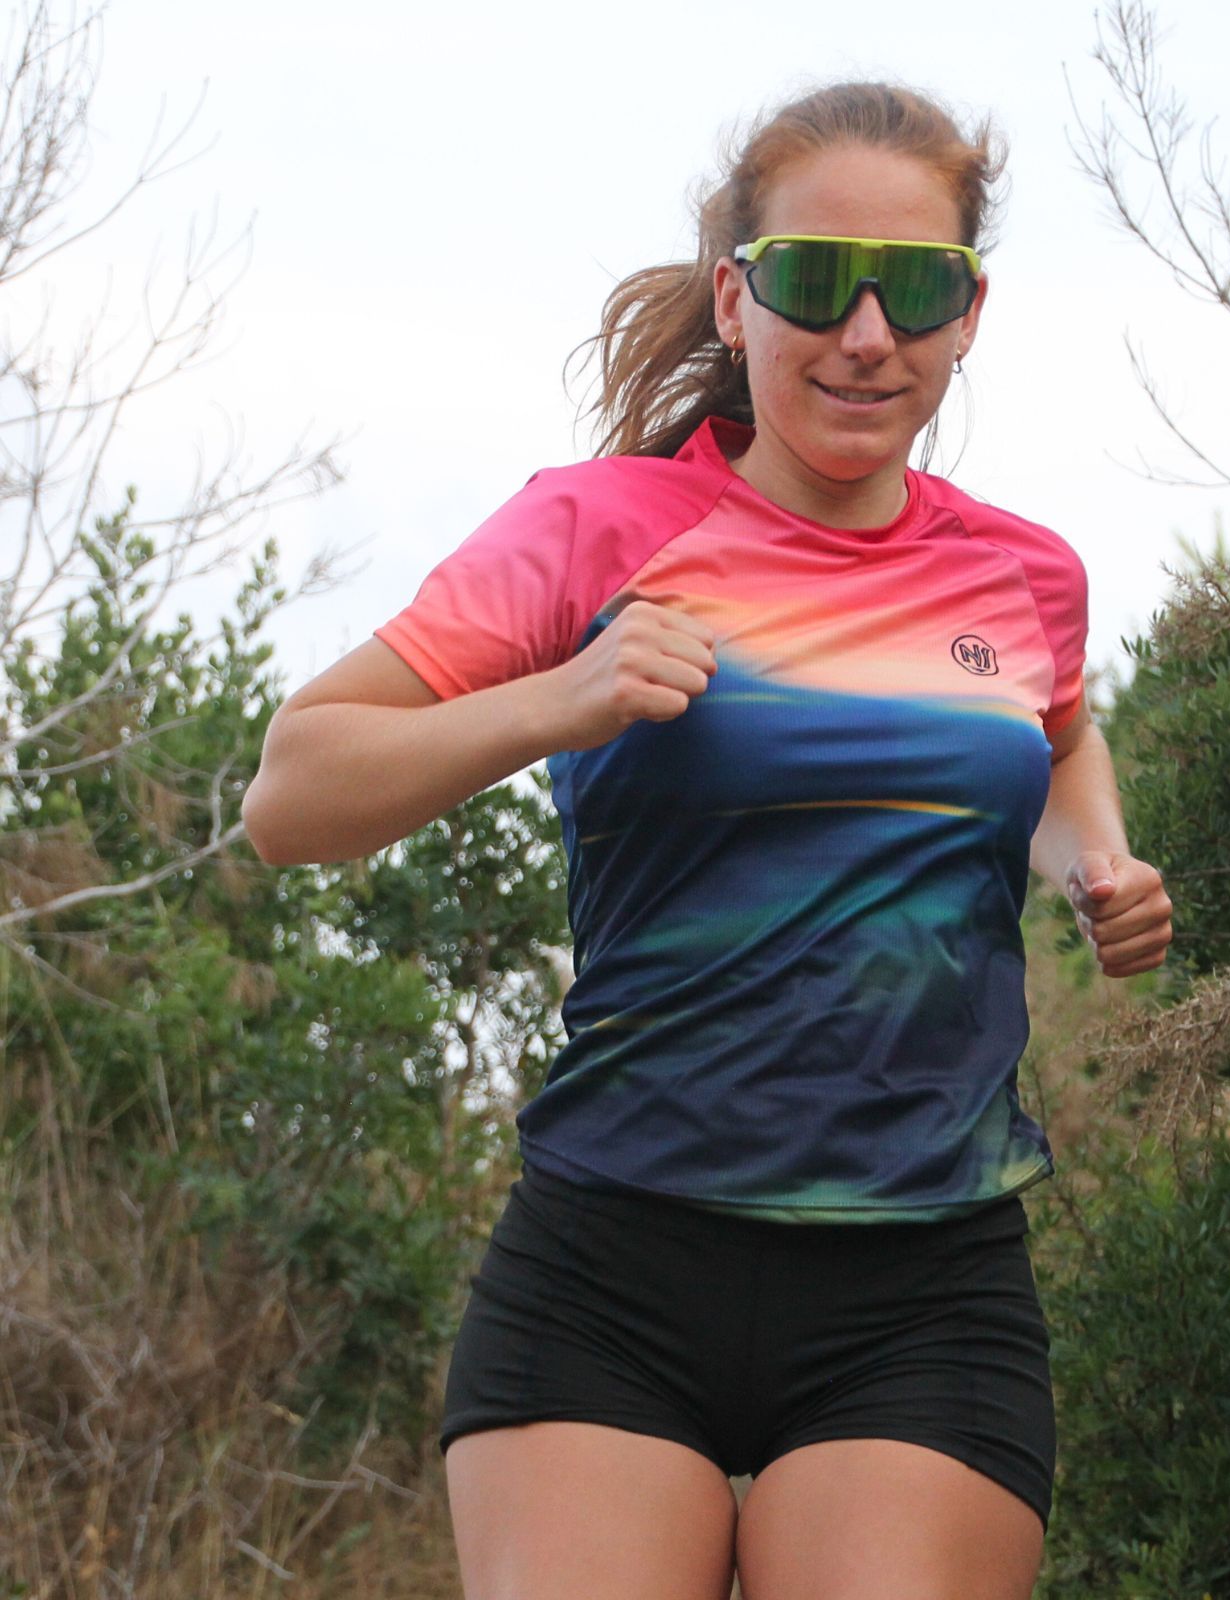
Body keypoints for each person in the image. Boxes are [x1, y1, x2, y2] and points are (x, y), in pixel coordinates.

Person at [243, 79, 1172, 1600]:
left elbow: (1060, 734)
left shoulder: (1025, 573)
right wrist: (560, 698)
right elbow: (292, 794)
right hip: (612, 1268)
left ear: (968, 315)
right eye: (816, 280)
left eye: (916, 290)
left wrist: (1096, 864)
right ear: (739, 302)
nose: (866, 332)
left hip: (921, 1283)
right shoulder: (598, 529)